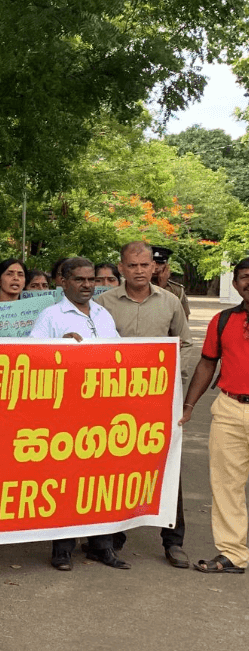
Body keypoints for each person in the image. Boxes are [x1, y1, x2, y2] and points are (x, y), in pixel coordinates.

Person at [95, 240, 192, 569]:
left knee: (167, 464)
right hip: (113, 400)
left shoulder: (170, 302)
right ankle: (112, 536)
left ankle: (173, 541)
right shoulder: (103, 303)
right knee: (114, 466)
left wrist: (174, 379)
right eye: (132, 265)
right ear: (121, 268)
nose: (139, 271)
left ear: (155, 267)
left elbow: (185, 343)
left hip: (158, 400)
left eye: (144, 265)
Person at [29, 257, 126, 570]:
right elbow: (31, 357)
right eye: (80, 280)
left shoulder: (102, 313)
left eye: (91, 279)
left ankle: (101, 545)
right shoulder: (50, 316)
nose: (87, 285)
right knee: (67, 481)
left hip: (103, 411)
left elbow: (120, 354)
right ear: (63, 281)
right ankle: (63, 549)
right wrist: (57, 346)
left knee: (101, 481)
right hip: (67, 414)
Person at [180, 257, 249, 574]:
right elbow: (207, 362)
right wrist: (189, 405)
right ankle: (233, 553)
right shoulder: (222, 320)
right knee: (226, 484)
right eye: (244, 277)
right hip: (229, 408)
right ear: (235, 284)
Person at [150, 245, 190, 318]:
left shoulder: (177, 290)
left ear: (167, 266)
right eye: (153, 263)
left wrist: (163, 284)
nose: (156, 267)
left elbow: (183, 319)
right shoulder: (135, 287)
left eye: (160, 263)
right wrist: (161, 286)